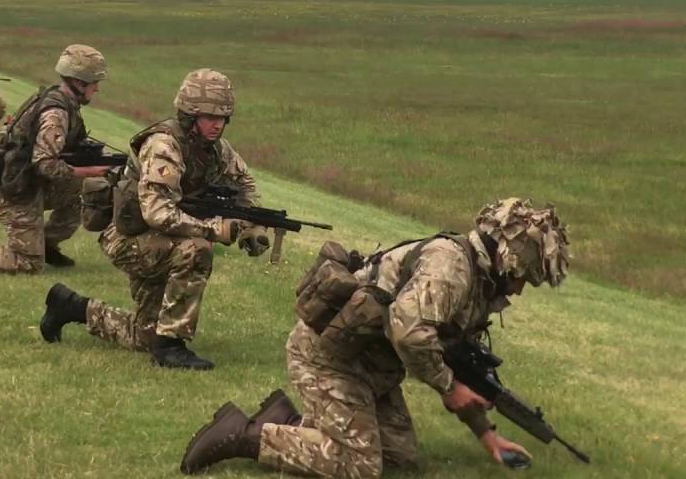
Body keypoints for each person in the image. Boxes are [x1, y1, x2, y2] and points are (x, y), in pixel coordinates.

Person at [178, 198, 573, 478]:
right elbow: (410, 334)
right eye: (524, 277)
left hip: (368, 369)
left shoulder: (479, 284)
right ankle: (241, 435)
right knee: (361, 466)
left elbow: (454, 364)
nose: (520, 289)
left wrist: (487, 436)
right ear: (510, 258)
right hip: (328, 359)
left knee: (400, 458)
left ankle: (288, 420)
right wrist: (449, 388)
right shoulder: (450, 268)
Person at [39, 69, 266, 370]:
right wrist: (216, 229)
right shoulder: (164, 146)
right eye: (209, 116)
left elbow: (244, 185)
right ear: (189, 115)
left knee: (145, 335)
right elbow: (158, 213)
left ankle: (70, 306)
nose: (217, 124)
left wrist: (252, 224)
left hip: (159, 238)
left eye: (223, 117)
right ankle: (171, 346)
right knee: (196, 249)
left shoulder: (217, 150)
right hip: (127, 236)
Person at [0, 44, 109, 275]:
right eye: (94, 82)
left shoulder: (57, 100)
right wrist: (93, 171)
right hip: (16, 193)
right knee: (28, 264)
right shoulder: (56, 114)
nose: (97, 88)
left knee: (81, 193)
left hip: (28, 183)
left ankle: (46, 245)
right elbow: (45, 164)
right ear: (79, 82)